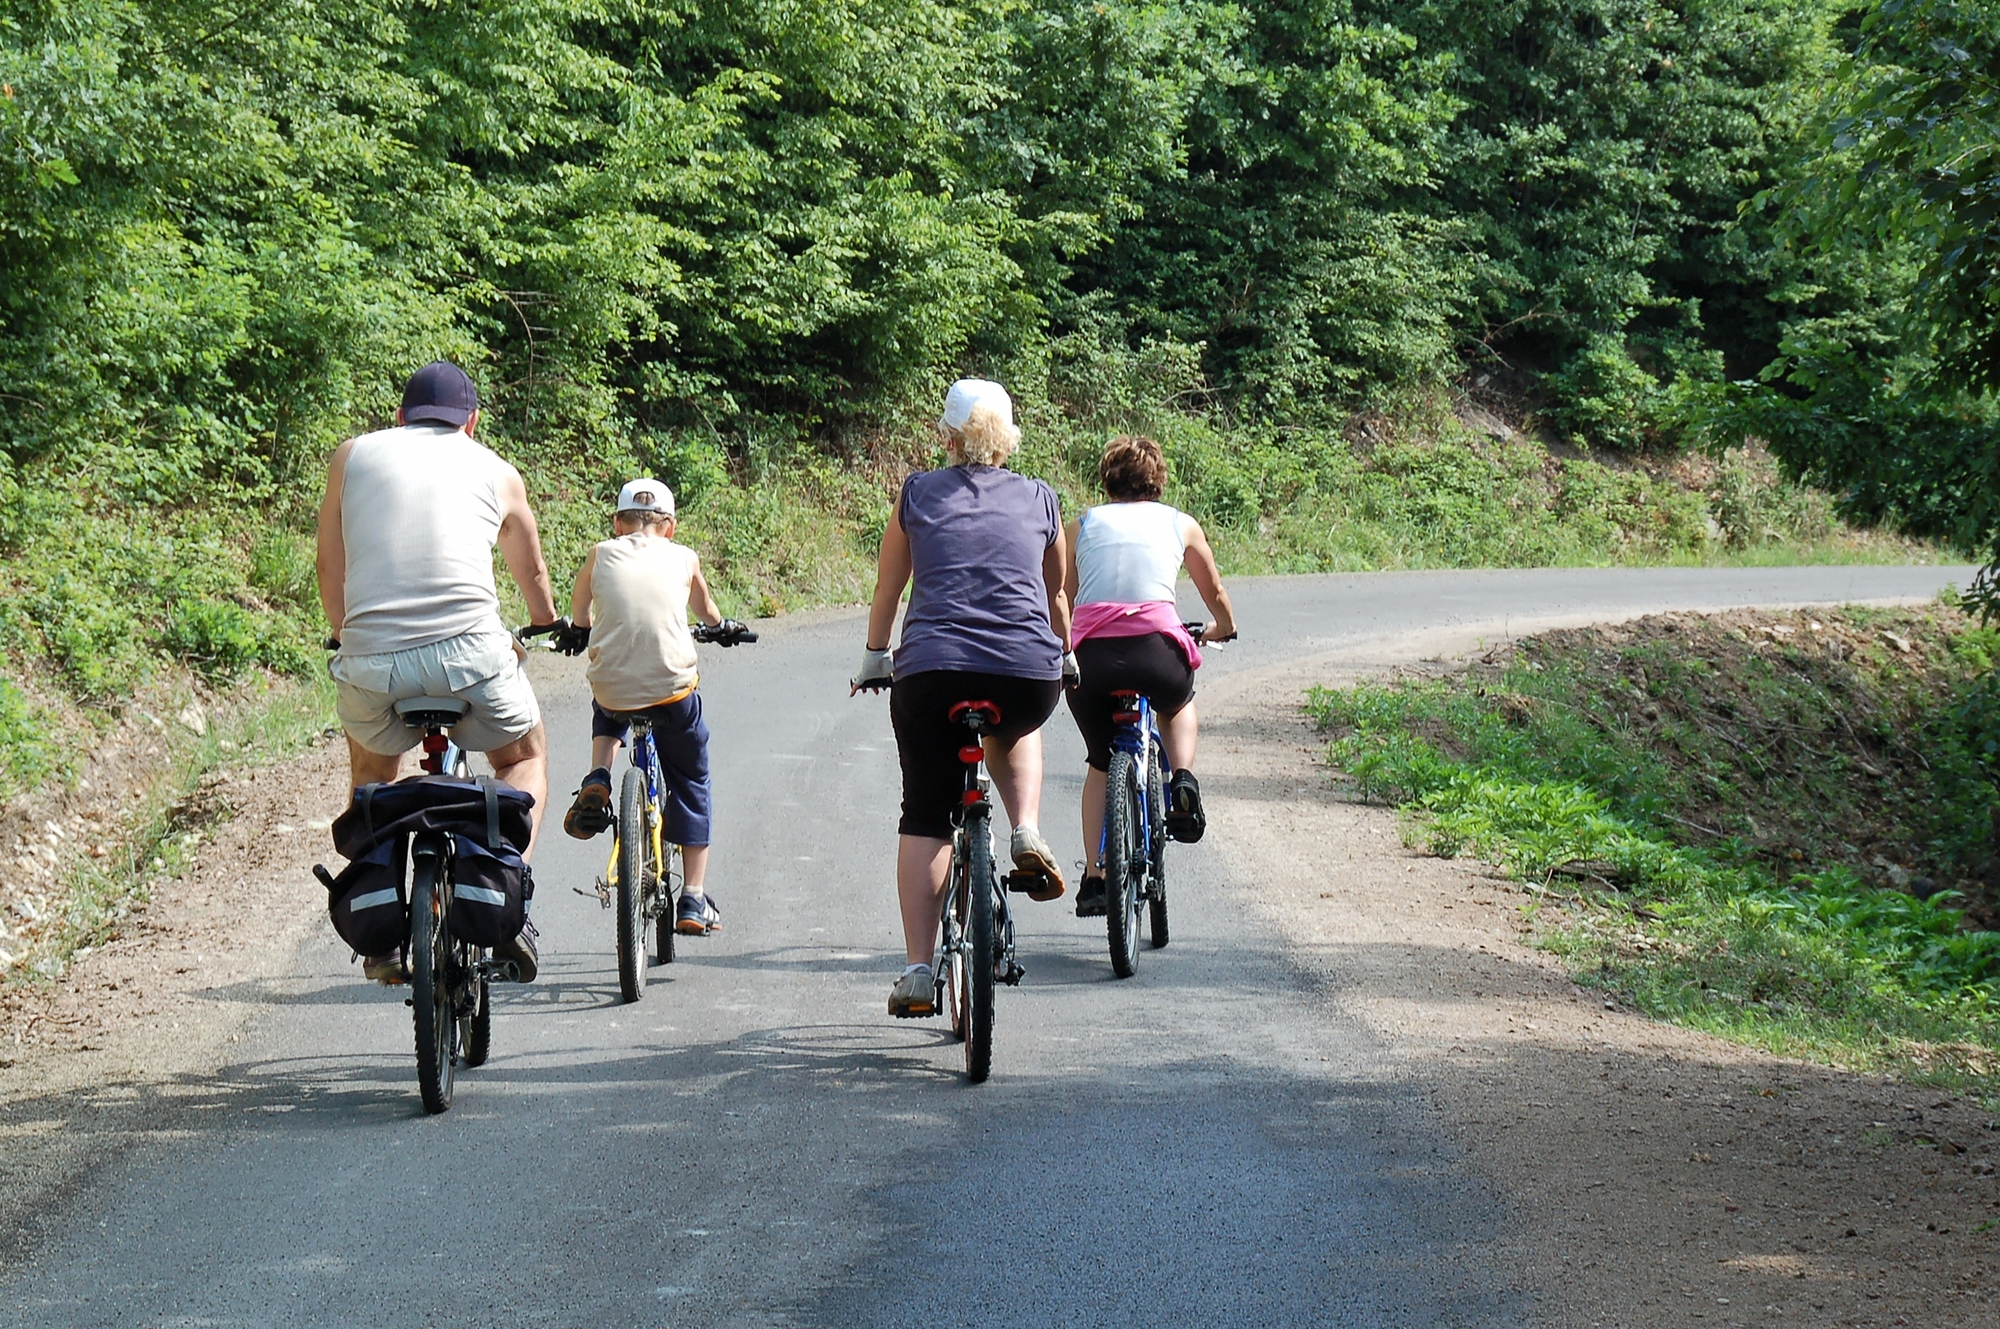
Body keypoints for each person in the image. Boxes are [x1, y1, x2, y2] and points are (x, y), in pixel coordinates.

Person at [316, 360, 562, 983]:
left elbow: (329, 564)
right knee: (521, 758)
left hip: (372, 662)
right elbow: (531, 575)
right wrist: (542, 622)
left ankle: (381, 936)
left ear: (398, 417)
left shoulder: (353, 455)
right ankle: (507, 892)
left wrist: (349, 636)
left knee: (373, 775)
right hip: (471, 658)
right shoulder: (498, 472)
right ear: (471, 423)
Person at [851, 378, 1071, 1019]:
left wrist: (873, 657)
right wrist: (1065, 653)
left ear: (947, 437)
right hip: (1026, 674)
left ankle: (920, 969)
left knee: (925, 812)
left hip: (930, 675)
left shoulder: (917, 492)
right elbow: (1055, 594)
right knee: (1018, 718)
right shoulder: (1040, 498)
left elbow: (890, 588)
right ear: (1009, 440)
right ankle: (1025, 827)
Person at [558, 479, 742, 936]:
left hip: (614, 691)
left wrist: (580, 630)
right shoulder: (683, 557)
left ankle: (599, 774)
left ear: (618, 523)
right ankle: (694, 899)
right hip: (672, 692)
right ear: (670, 526)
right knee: (692, 774)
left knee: (607, 701)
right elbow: (708, 613)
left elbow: (580, 617)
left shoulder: (601, 553)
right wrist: (723, 627)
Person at [1063, 434, 1237, 916]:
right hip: (1155, 651)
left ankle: (1096, 877)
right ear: (1158, 480)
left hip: (1091, 659)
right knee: (1177, 703)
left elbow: (1065, 597)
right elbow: (1214, 589)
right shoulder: (1180, 524)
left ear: (1107, 479)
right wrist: (1225, 627)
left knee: (1101, 761)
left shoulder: (1082, 526)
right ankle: (1181, 779)